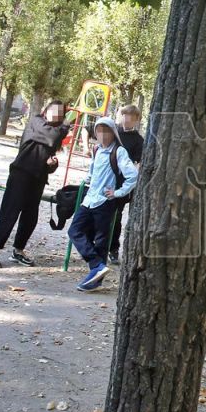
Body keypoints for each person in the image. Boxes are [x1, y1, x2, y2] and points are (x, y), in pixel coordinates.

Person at [0, 100, 69, 268]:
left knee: (30, 217)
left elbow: (48, 155)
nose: (56, 115)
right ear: (46, 110)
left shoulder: (56, 131)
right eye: (53, 110)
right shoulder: (37, 122)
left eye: (60, 113)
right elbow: (52, 137)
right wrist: (64, 128)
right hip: (20, 174)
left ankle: (18, 250)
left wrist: (52, 164)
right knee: (9, 213)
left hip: (38, 178)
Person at [69, 116, 138, 291]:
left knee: (101, 240)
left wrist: (118, 193)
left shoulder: (119, 152)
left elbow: (133, 176)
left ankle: (96, 281)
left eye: (106, 131)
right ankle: (97, 265)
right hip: (89, 199)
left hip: (105, 202)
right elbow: (92, 171)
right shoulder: (96, 149)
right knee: (74, 231)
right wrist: (87, 180)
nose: (102, 135)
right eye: (99, 131)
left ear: (113, 133)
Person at [107, 104, 145, 265]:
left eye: (131, 117)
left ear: (136, 120)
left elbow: (140, 162)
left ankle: (113, 249)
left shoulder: (138, 140)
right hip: (104, 179)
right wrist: (87, 149)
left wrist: (132, 176)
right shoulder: (110, 131)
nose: (127, 119)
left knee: (116, 216)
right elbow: (88, 131)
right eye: (125, 115)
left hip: (121, 183)